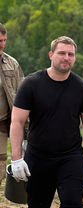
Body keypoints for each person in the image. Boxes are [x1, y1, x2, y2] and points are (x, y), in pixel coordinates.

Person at [9, 36, 83, 208]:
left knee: (73, 206)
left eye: (71, 54)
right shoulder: (32, 84)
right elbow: (17, 121)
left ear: (75, 58)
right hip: (37, 156)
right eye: (62, 53)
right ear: (51, 55)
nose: (66, 58)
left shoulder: (82, 88)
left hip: (70, 157)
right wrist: (16, 158)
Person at [0, 23, 26, 184]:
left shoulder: (12, 64)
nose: (1, 44)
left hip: (2, 124)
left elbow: (24, 98)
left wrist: (26, 131)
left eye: (4, 40)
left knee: (0, 168)